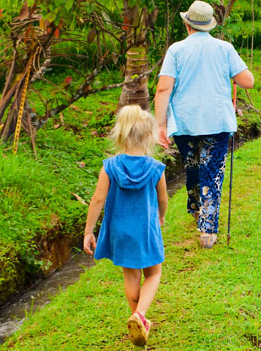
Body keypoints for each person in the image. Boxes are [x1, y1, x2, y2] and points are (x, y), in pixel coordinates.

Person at [154, 0, 255, 249]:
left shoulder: (176, 50)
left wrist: (160, 126)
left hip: (186, 123)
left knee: (193, 168)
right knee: (212, 172)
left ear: (187, 24)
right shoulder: (224, 48)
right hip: (217, 121)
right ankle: (208, 230)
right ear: (209, 25)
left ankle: (198, 211)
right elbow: (248, 81)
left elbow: (163, 89)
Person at [82, 105, 169, 347]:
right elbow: (163, 199)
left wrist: (89, 231)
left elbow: (97, 199)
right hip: (145, 230)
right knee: (153, 272)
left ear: (120, 135)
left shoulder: (110, 167)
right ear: (150, 136)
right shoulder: (155, 168)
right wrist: (160, 217)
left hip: (119, 232)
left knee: (130, 276)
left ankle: (137, 320)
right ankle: (140, 315)